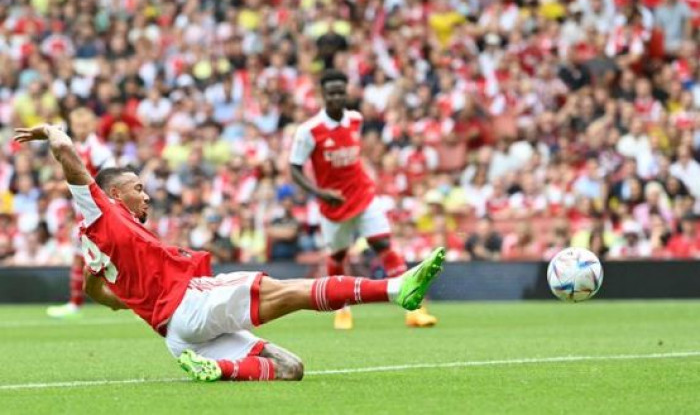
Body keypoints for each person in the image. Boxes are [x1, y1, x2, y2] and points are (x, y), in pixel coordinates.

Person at [13, 124, 445, 383]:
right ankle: (395, 288)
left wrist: (131, 299)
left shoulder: (91, 240)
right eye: (138, 188)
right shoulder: (101, 211)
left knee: (290, 367)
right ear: (113, 194)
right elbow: (67, 153)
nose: (146, 196)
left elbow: (96, 290)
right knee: (291, 290)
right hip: (191, 304)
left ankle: (217, 368)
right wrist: (50, 130)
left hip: (177, 338)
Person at [290, 69, 438, 329]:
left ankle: (414, 310)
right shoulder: (309, 131)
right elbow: (295, 168)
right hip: (333, 204)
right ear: (323, 95)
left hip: (363, 195)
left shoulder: (355, 120)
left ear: (346, 93)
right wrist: (321, 193)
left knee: (384, 245)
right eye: (331, 93)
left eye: (340, 92)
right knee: (338, 256)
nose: (336, 97)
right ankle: (342, 311)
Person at [47, 107, 115, 319]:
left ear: (92, 125)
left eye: (84, 125)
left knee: (114, 258)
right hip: (85, 210)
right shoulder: (79, 148)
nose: (81, 129)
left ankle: (76, 304)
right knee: (80, 256)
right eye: (77, 125)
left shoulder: (98, 149)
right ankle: (75, 303)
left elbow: (110, 177)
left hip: (97, 211)